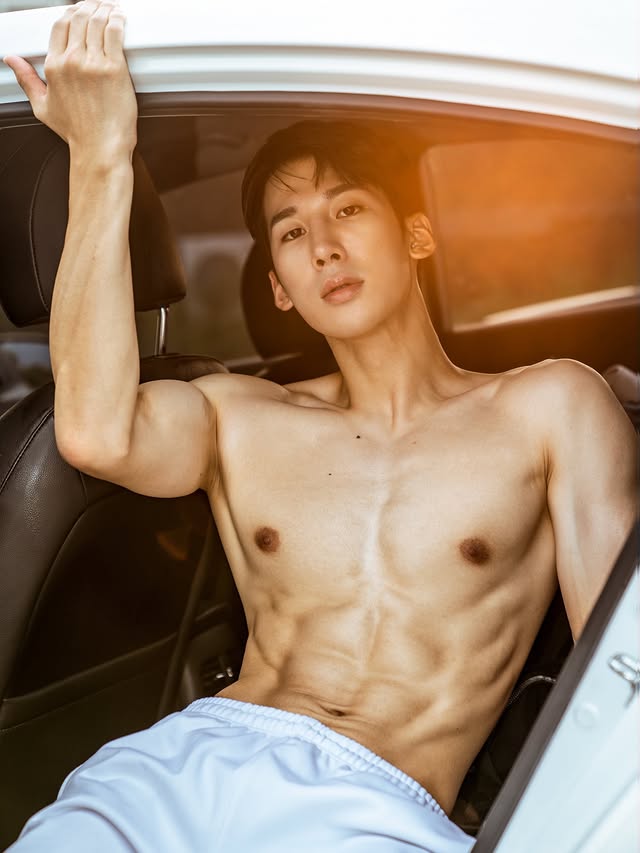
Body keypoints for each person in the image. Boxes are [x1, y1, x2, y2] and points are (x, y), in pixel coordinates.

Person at [3, 2, 637, 851]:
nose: (324, 247)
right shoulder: (239, 413)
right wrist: (101, 154)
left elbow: (621, 667)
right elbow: (94, 434)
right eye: (293, 232)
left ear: (415, 234)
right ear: (279, 287)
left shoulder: (553, 406)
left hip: (378, 801)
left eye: (348, 210)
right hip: (183, 767)